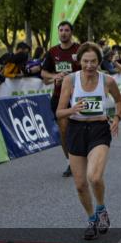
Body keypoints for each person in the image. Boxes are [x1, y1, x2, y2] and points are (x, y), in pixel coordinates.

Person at [55, 42, 121, 240]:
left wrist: (117, 118)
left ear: (99, 62)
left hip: (98, 130)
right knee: (80, 184)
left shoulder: (107, 80)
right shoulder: (70, 80)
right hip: (76, 130)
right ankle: (91, 218)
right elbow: (59, 112)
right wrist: (72, 109)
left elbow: (119, 100)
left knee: (94, 177)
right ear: (79, 61)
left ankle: (101, 209)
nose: (89, 65)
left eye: (93, 61)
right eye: (85, 61)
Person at [42, 21, 81, 177]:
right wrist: (55, 76)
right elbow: (44, 74)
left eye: (66, 30)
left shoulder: (79, 50)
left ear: (71, 32)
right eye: (61, 30)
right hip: (59, 98)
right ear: (58, 32)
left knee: (80, 129)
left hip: (79, 96)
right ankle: (70, 162)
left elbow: (90, 68)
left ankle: (82, 157)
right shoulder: (52, 52)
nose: (63, 33)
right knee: (64, 131)